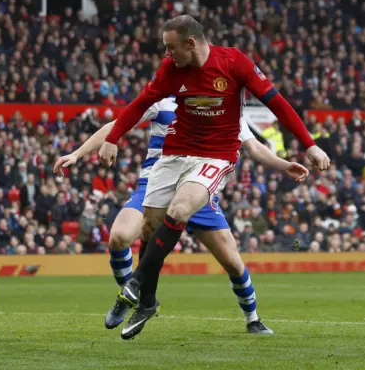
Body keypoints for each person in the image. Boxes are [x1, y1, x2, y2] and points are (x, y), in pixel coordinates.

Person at [97, 15, 330, 340]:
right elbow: (140, 103)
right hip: (174, 154)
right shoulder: (171, 71)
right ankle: (147, 301)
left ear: (190, 43)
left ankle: (135, 283)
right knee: (150, 226)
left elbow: (278, 104)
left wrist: (309, 146)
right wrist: (112, 138)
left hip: (215, 156)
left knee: (180, 211)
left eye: (170, 47)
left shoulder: (234, 63)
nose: (167, 55)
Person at [55, 98, 309, 335]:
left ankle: (252, 319)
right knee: (119, 237)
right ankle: (131, 295)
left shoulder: (223, 108)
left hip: (198, 192)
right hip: (154, 186)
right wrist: (77, 154)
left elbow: (254, 148)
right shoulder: (161, 100)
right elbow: (117, 124)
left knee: (232, 261)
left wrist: (284, 165)